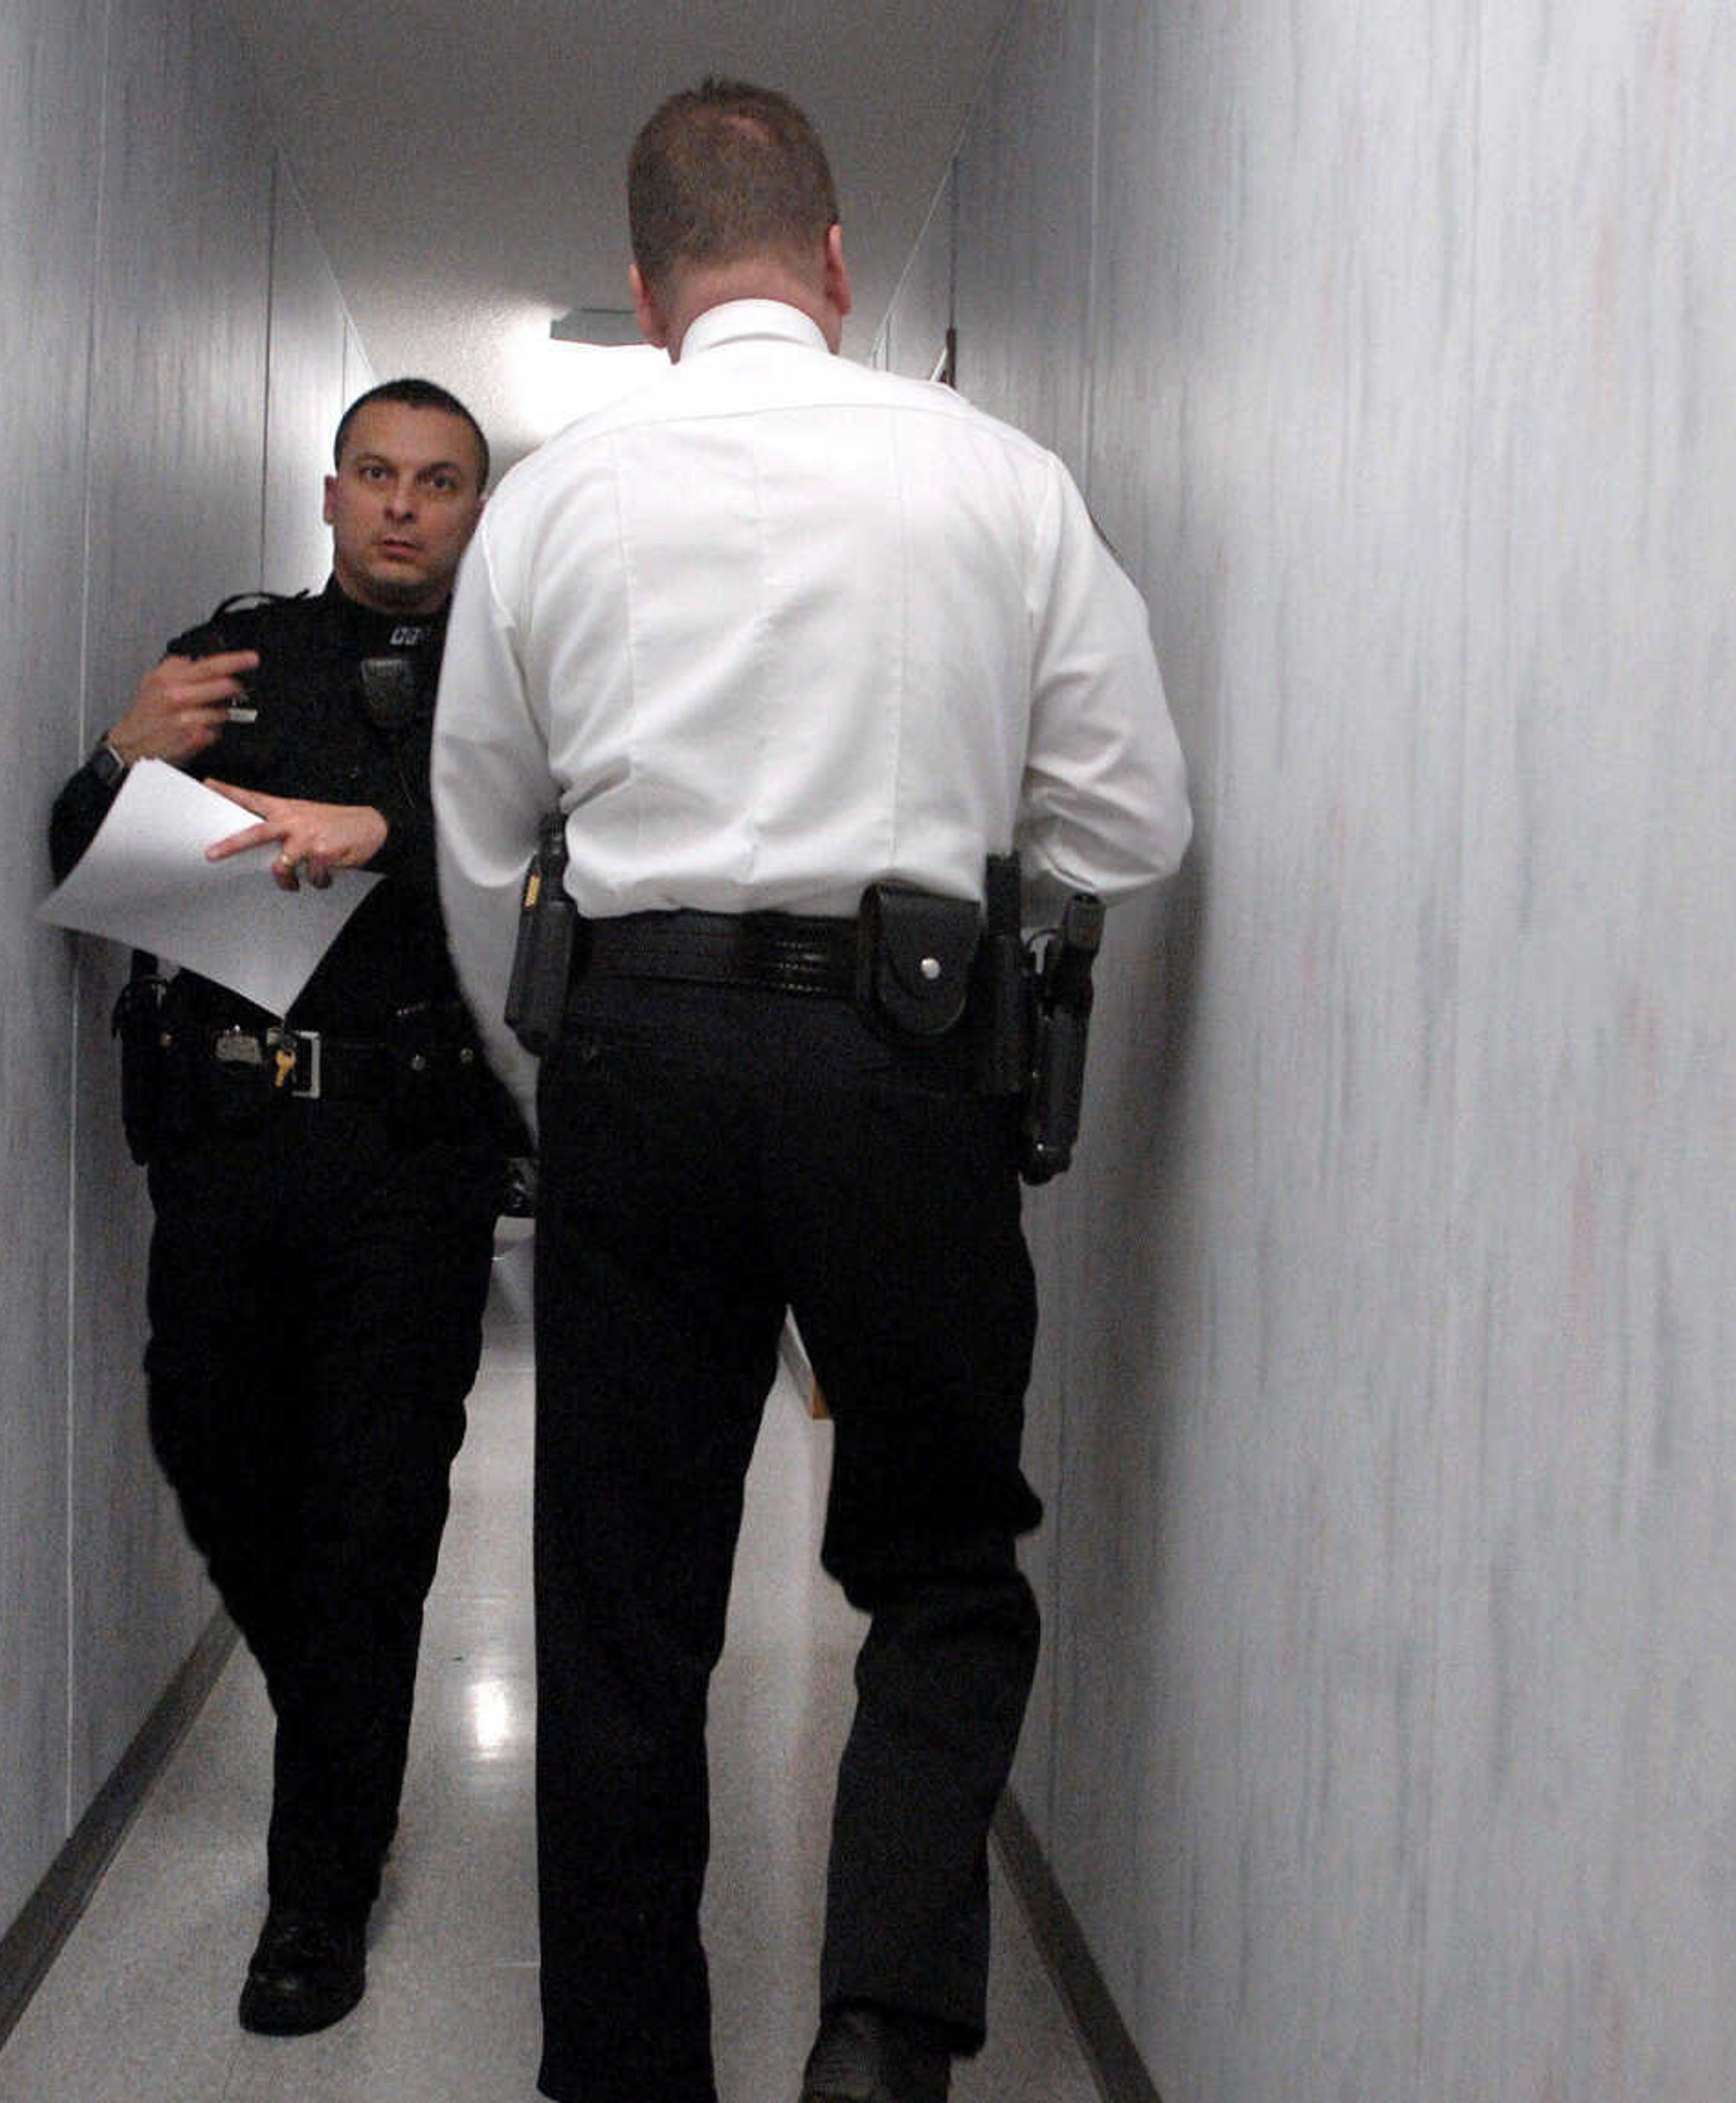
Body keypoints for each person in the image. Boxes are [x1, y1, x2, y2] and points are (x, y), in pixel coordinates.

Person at [429, 80, 1192, 2103]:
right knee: (943, 1560)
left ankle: (624, 2076)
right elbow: (1136, 816)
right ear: (841, 264)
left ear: (645, 285)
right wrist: (950, 800)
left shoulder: (554, 500)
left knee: (620, 1621)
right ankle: (879, 2022)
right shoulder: (995, 476)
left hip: (633, 1052)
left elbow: (476, 830)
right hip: (898, 1054)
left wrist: (557, 1066)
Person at [47, 378, 515, 2038]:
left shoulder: (521, 689)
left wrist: (384, 835)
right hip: (234, 1149)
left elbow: (576, 871)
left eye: (440, 482)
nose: (403, 506)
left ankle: (316, 1895)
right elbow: (86, 857)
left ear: (480, 506)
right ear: (328, 497)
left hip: (415, 1158)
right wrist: (120, 756)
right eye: (376, 476)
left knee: (376, 1514)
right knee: (214, 1455)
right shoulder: (239, 659)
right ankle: (340, 1706)